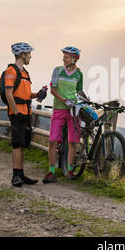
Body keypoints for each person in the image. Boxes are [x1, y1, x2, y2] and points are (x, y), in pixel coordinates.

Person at [5, 42, 47, 187]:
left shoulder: (24, 73)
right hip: (17, 113)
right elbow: (8, 93)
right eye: (29, 54)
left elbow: (27, 94)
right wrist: (16, 112)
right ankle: (15, 176)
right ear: (22, 55)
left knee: (22, 144)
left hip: (25, 112)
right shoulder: (11, 71)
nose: (30, 56)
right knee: (17, 144)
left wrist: (38, 94)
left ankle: (21, 174)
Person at [43, 46, 88, 183]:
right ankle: (51, 172)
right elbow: (52, 90)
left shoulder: (79, 75)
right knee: (53, 141)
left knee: (73, 141)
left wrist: (86, 101)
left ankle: (69, 170)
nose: (64, 59)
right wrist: (64, 100)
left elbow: (79, 92)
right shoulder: (57, 71)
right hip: (59, 109)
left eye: (66, 57)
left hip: (74, 111)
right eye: (64, 56)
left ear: (74, 59)